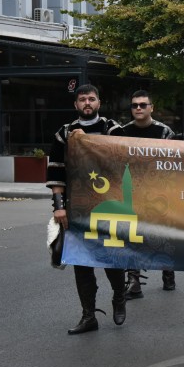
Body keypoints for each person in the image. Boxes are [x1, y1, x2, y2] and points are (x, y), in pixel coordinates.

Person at [47, 83, 127, 335]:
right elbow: (56, 169)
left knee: (111, 260)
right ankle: (88, 315)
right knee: (82, 263)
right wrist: (59, 207)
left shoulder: (112, 129)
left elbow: (123, 160)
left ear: (99, 103)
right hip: (77, 208)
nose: (87, 103)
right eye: (82, 99)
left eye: (91, 98)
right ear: (76, 105)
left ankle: (119, 297)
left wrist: (89, 142)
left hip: (109, 206)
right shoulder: (64, 132)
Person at [120, 90, 177, 298]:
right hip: (131, 193)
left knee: (162, 236)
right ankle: (133, 282)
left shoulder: (164, 133)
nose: (138, 108)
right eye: (134, 105)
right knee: (131, 237)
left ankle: (168, 273)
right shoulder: (122, 133)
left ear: (151, 107)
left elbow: (174, 165)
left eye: (143, 105)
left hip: (159, 194)